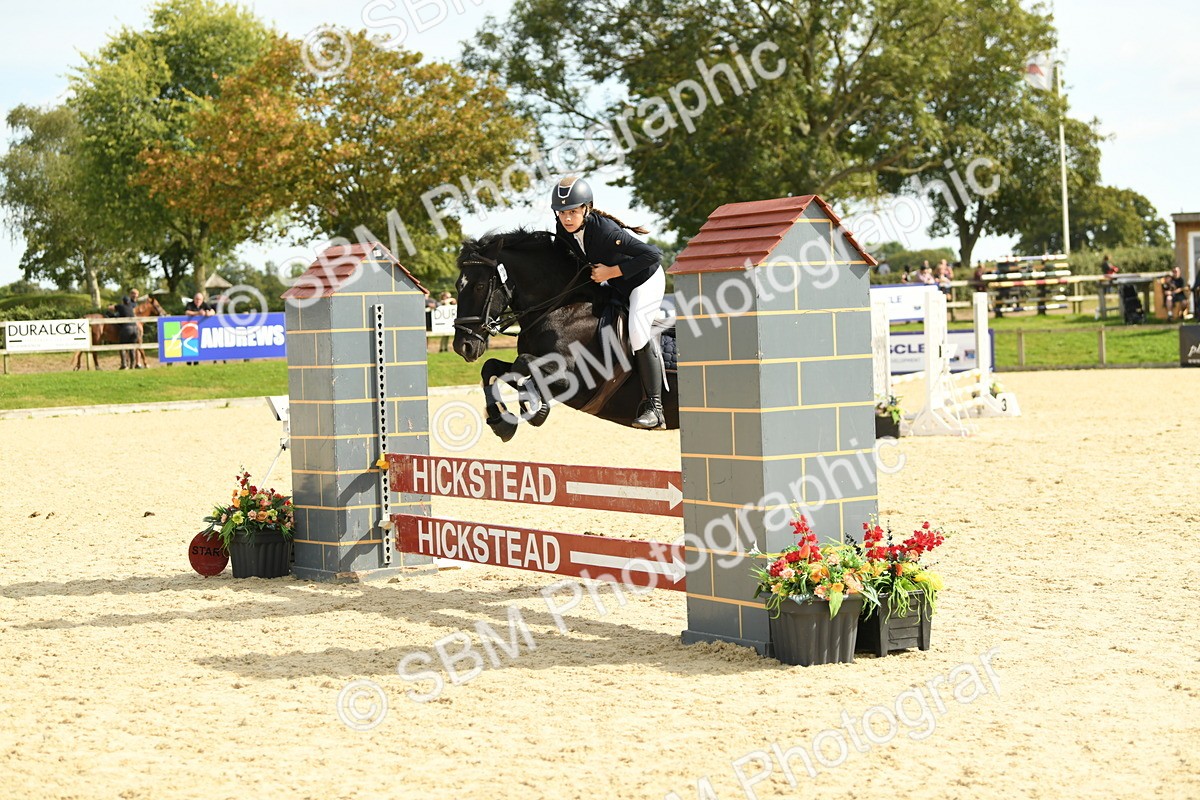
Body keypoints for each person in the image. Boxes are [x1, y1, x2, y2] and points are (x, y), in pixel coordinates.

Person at [551, 175, 666, 429]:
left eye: (572, 212)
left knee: (638, 332)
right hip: (615, 284)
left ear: (586, 209)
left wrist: (611, 272)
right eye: (562, 213)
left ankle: (655, 409)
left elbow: (654, 255)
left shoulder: (604, 231)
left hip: (645, 280)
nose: (567, 218)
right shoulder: (563, 229)